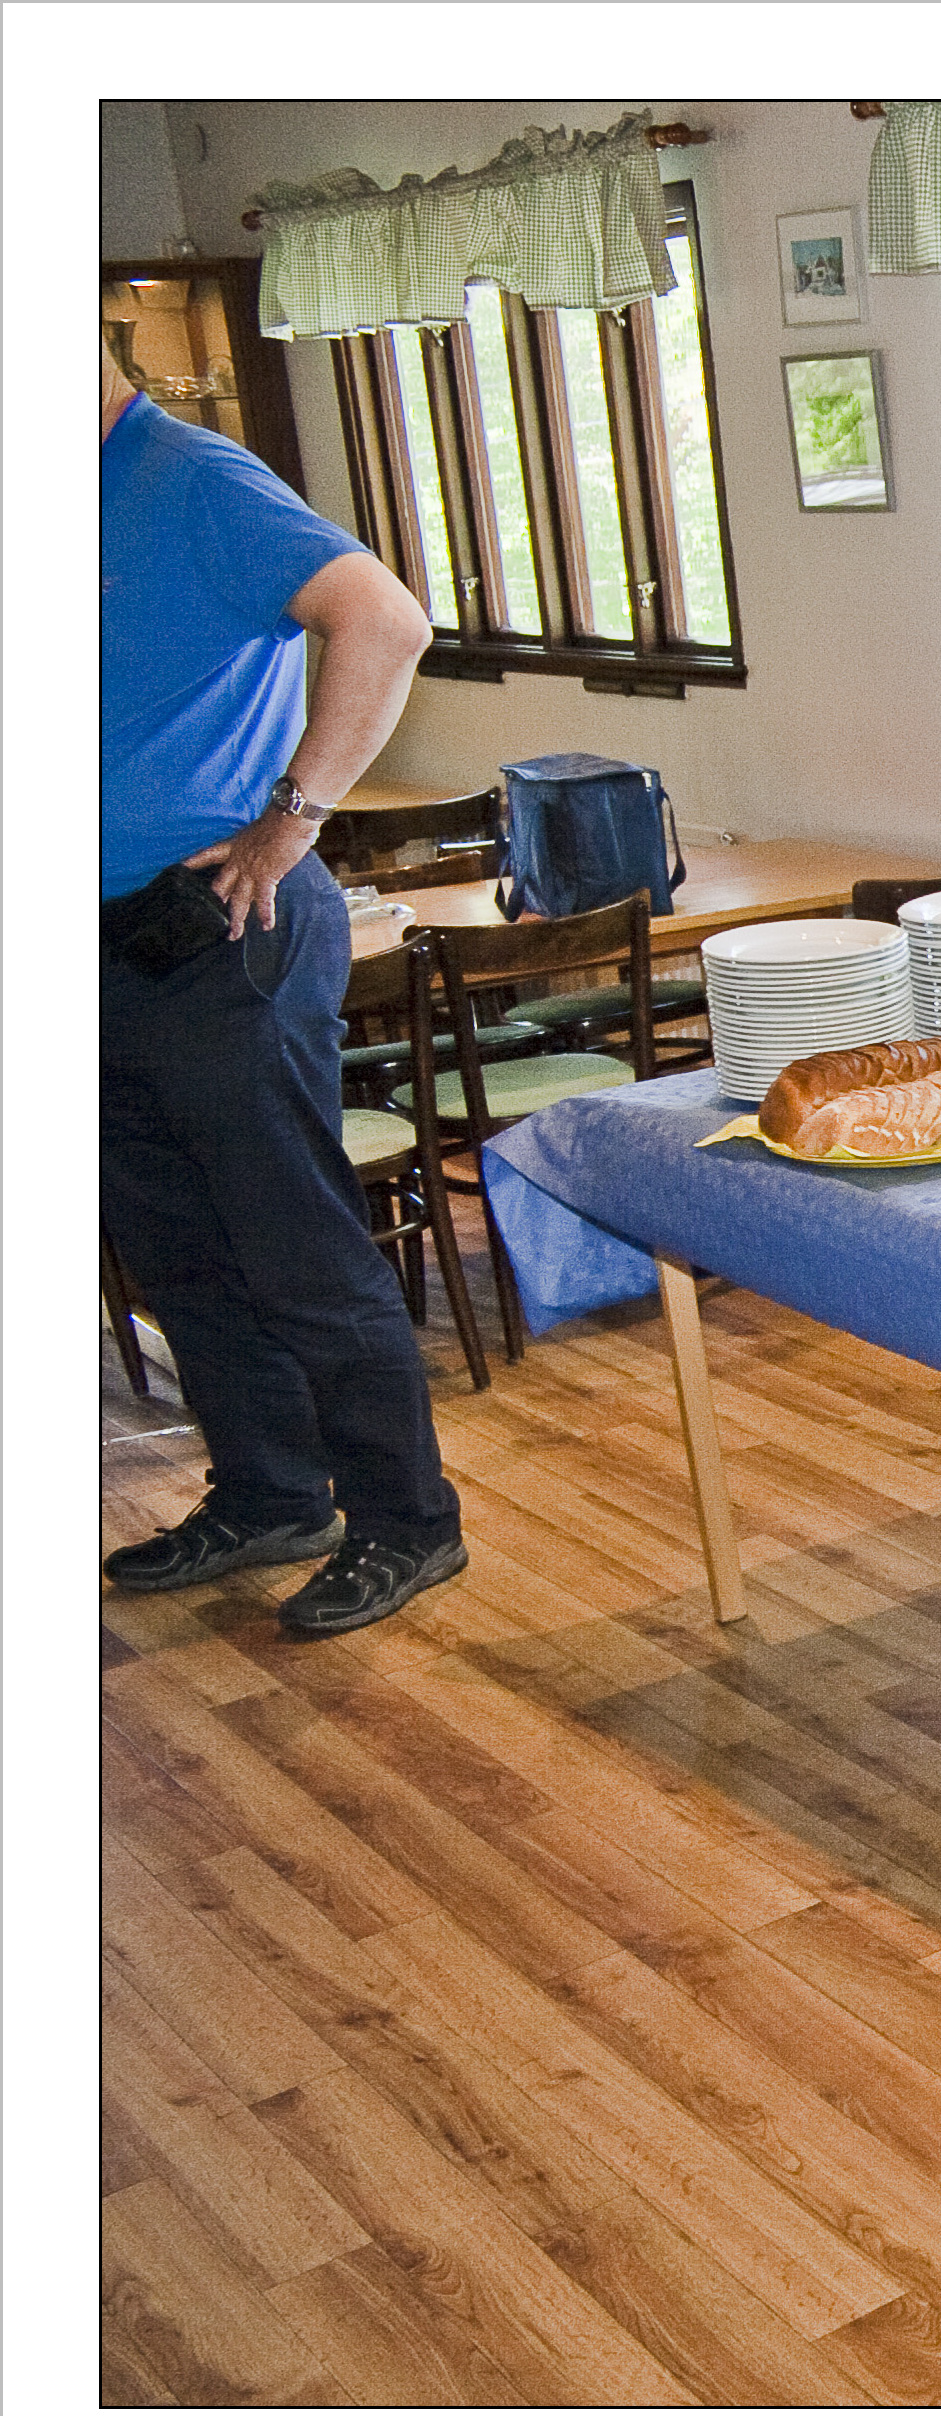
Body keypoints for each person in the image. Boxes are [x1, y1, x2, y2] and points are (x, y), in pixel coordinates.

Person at [100, 341, 470, 1637]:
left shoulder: (189, 475)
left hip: (223, 922)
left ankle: (408, 1521)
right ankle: (268, 1494)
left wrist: (293, 818)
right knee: (178, 1250)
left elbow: (389, 620)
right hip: (99, 945)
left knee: (296, 1247)